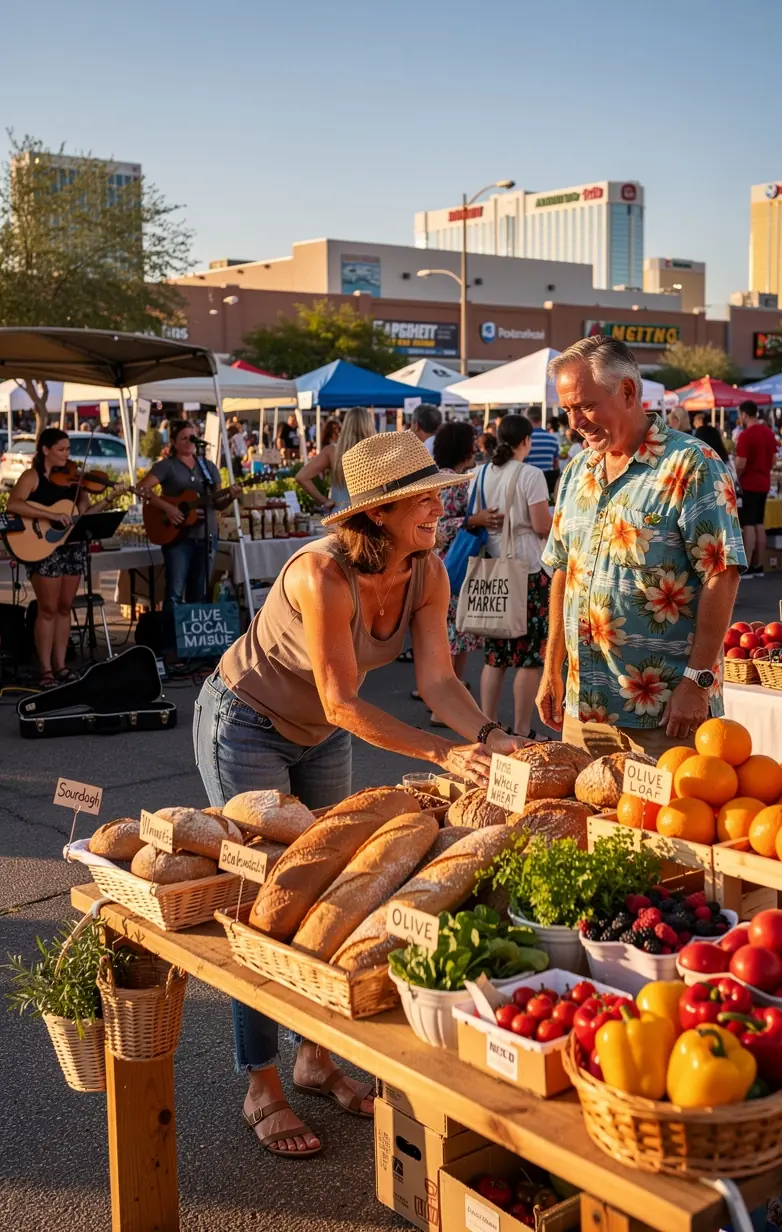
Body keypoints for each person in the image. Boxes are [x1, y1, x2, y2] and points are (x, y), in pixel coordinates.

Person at [194, 431, 526, 1157]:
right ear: (378, 513)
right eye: (425, 497)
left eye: (440, 492)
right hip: (246, 720)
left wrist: (491, 736)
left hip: (322, 730)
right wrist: (445, 753)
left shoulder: (428, 570)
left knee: (336, 898)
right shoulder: (322, 574)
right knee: (265, 898)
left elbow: (440, 685)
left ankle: (315, 1058)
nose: (441, 505)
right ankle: (262, 1083)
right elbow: (344, 699)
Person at [536, 335, 745, 759]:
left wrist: (696, 681)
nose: (575, 421)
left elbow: (721, 574)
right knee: (592, 823)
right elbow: (563, 568)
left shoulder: (692, 464)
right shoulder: (578, 469)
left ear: (628, 391)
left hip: (666, 713)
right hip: (584, 711)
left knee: (667, 824)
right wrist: (551, 668)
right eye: (568, 410)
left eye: (586, 405)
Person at [475, 414, 552, 739]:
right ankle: (521, 730)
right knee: (529, 657)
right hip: (528, 570)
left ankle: (486, 726)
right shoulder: (531, 474)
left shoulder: (479, 473)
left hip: (493, 568)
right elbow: (541, 526)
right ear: (525, 441)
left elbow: (475, 517)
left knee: (496, 656)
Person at [136, 421, 240, 653]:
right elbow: (141, 488)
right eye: (184, 438)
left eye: (193, 437)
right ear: (173, 442)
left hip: (206, 536)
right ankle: (172, 647)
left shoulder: (208, 467)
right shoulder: (167, 466)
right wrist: (168, 508)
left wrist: (231, 496)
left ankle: (195, 648)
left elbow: (217, 503)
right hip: (178, 538)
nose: (190, 442)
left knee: (199, 591)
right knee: (174, 592)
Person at [7, 428, 91, 688]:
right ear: (45, 450)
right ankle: (45, 669)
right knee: (48, 609)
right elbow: (14, 504)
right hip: (42, 548)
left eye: (68, 449)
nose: (67, 454)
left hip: (70, 548)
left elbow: (83, 507)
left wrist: (85, 501)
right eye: (61, 449)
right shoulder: (32, 476)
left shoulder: (73, 479)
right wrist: (50, 515)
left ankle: (61, 665)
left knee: (65, 607)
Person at [432, 421, 498, 718]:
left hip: (445, 565)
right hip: (452, 566)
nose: (476, 446)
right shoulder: (450, 481)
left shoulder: (444, 477)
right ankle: (444, 704)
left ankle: (448, 696)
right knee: (452, 637)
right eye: (472, 441)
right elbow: (437, 526)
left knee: (454, 636)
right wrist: (473, 521)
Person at [295, 408, 374, 512]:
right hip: (368, 514)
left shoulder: (332, 451)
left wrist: (324, 501)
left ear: (346, 425)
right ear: (369, 426)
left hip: (340, 513)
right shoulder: (375, 451)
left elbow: (301, 477)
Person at [735, 400, 777, 580]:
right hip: (764, 482)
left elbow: (740, 463)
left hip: (749, 483)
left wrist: (737, 475)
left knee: (749, 525)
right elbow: (774, 460)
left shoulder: (746, 435)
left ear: (744, 415)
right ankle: (759, 564)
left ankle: (748, 566)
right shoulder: (768, 433)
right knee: (760, 523)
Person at [525, 406, 560, 496]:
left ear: (527, 419)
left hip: (529, 482)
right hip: (547, 483)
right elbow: (556, 464)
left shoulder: (525, 439)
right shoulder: (552, 439)